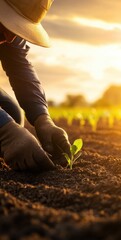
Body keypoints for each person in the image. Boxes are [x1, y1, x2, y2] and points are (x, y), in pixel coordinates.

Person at [0, 0, 71, 172]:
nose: (11, 37)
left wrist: (42, 119)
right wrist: (5, 132)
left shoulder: (7, 34)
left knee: (13, 114)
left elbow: (19, 65)